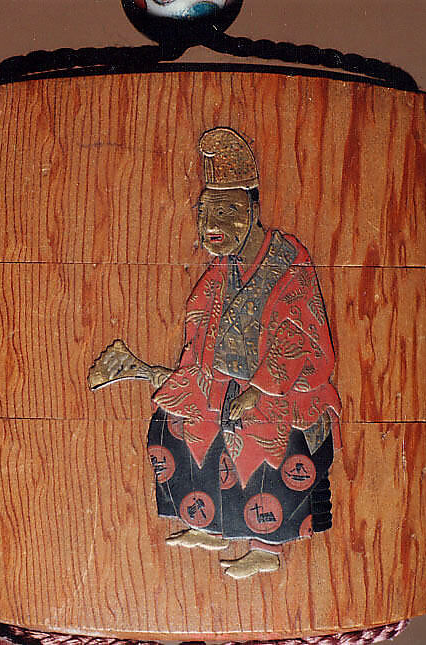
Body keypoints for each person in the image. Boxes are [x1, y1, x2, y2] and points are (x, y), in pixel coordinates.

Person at [141, 127, 341, 578]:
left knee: (259, 438)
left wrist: (261, 388)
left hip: (281, 391)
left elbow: (303, 340)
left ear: (253, 210)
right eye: (206, 211)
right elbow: (199, 334)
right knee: (172, 422)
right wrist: (181, 377)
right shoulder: (219, 272)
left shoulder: (287, 264)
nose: (214, 223)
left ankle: (265, 547)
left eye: (229, 210)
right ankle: (208, 525)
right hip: (223, 382)